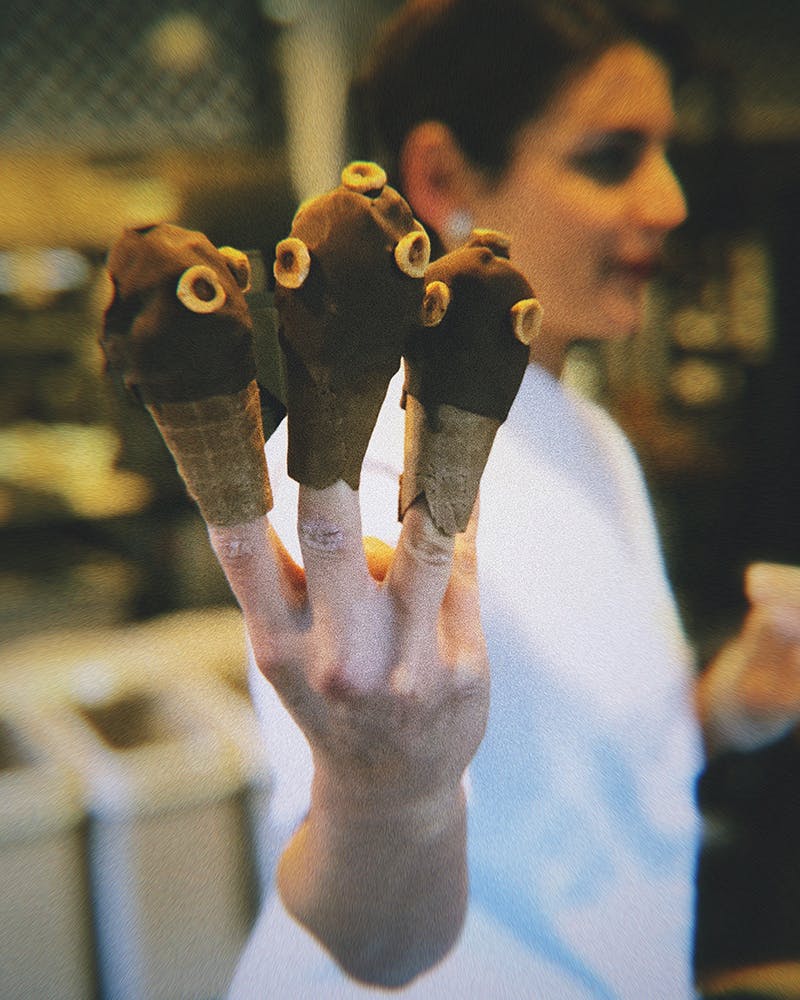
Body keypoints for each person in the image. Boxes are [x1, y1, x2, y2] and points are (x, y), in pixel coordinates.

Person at [224, 1, 800, 997]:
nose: (667, 201)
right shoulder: (358, 472)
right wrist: (388, 798)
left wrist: (726, 706)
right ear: (444, 177)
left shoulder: (589, 437)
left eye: (662, 154)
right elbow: (367, 933)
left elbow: (567, 778)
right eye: (610, 158)